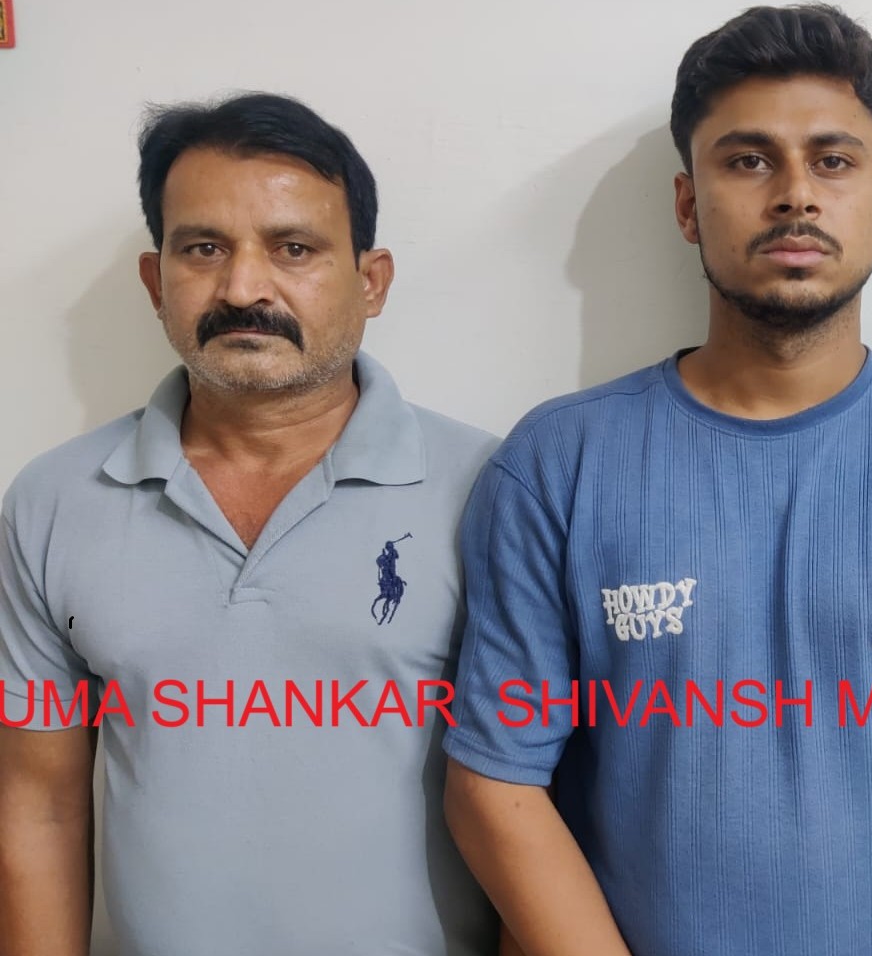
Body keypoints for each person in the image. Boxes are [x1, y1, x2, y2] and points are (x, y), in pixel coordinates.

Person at [440, 5, 872, 955]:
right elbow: (495, 784)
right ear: (688, 205)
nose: (795, 195)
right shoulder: (557, 464)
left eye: (832, 161)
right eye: (749, 160)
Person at [0, 92, 501, 954]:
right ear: (156, 282)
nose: (242, 288)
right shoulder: (54, 501)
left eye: (293, 248)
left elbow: (545, 792)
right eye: (203, 249)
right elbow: (39, 804)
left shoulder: (489, 488)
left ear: (371, 281)